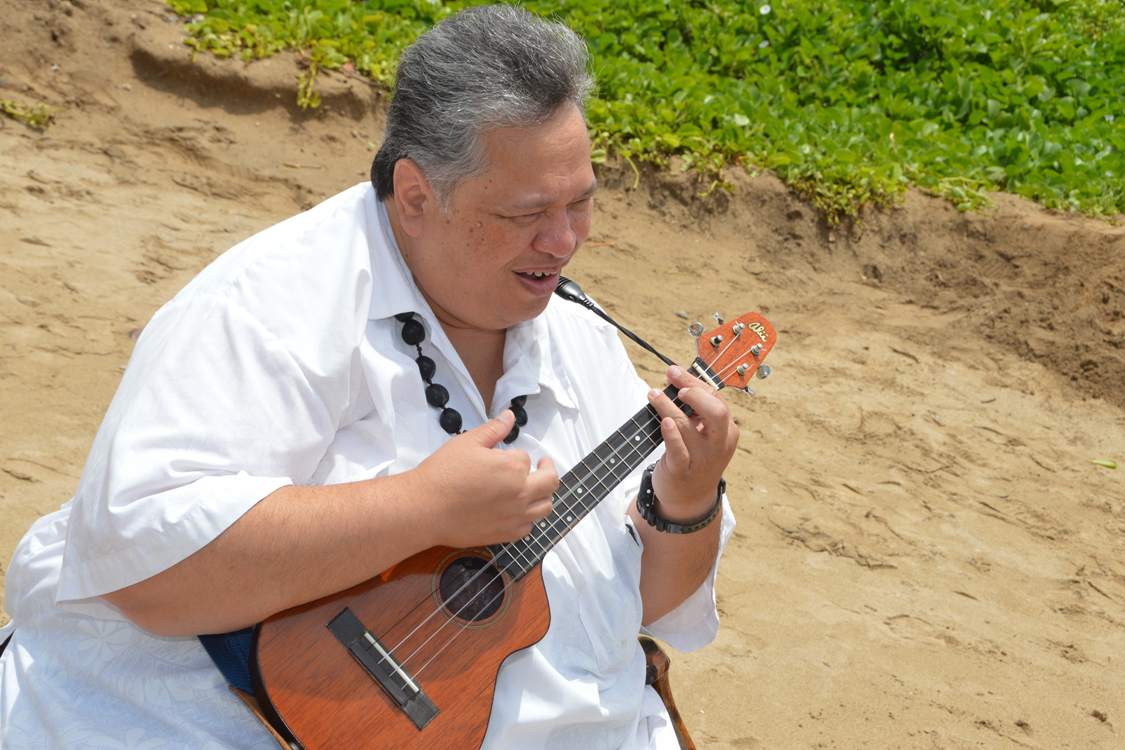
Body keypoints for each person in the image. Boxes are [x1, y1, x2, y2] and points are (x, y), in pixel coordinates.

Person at [0, 5, 738, 749]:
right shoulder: (268, 308)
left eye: (580, 202)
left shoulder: (575, 330)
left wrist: (687, 502)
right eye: (527, 212)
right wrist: (417, 508)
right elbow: (141, 564)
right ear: (416, 197)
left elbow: (646, 606)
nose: (563, 240)